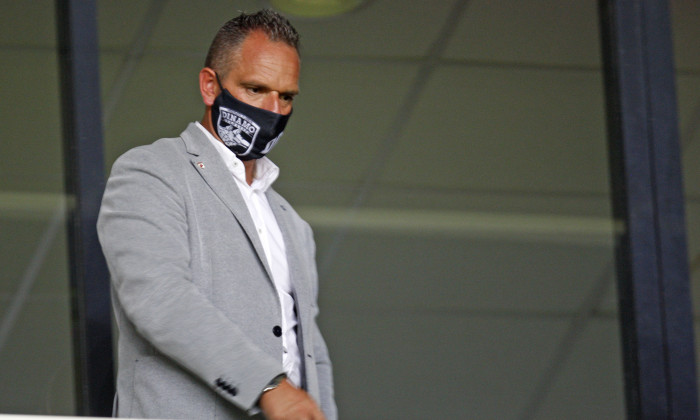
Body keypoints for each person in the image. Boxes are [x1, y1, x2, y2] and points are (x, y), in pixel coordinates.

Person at [97, 9, 336, 420]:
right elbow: (158, 297)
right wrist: (268, 385)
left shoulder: (291, 223)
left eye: (286, 96)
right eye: (256, 89)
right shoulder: (152, 172)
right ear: (210, 86)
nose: (273, 110)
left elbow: (310, 350)